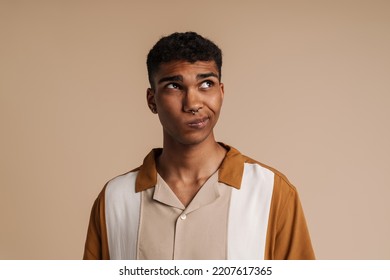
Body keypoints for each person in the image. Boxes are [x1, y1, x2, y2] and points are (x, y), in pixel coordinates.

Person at [83, 31, 315, 260]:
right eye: (174, 86)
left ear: (221, 93)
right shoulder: (114, 199)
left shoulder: (271, 192)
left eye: (206, 84)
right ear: (152, 100)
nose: (193, 103)